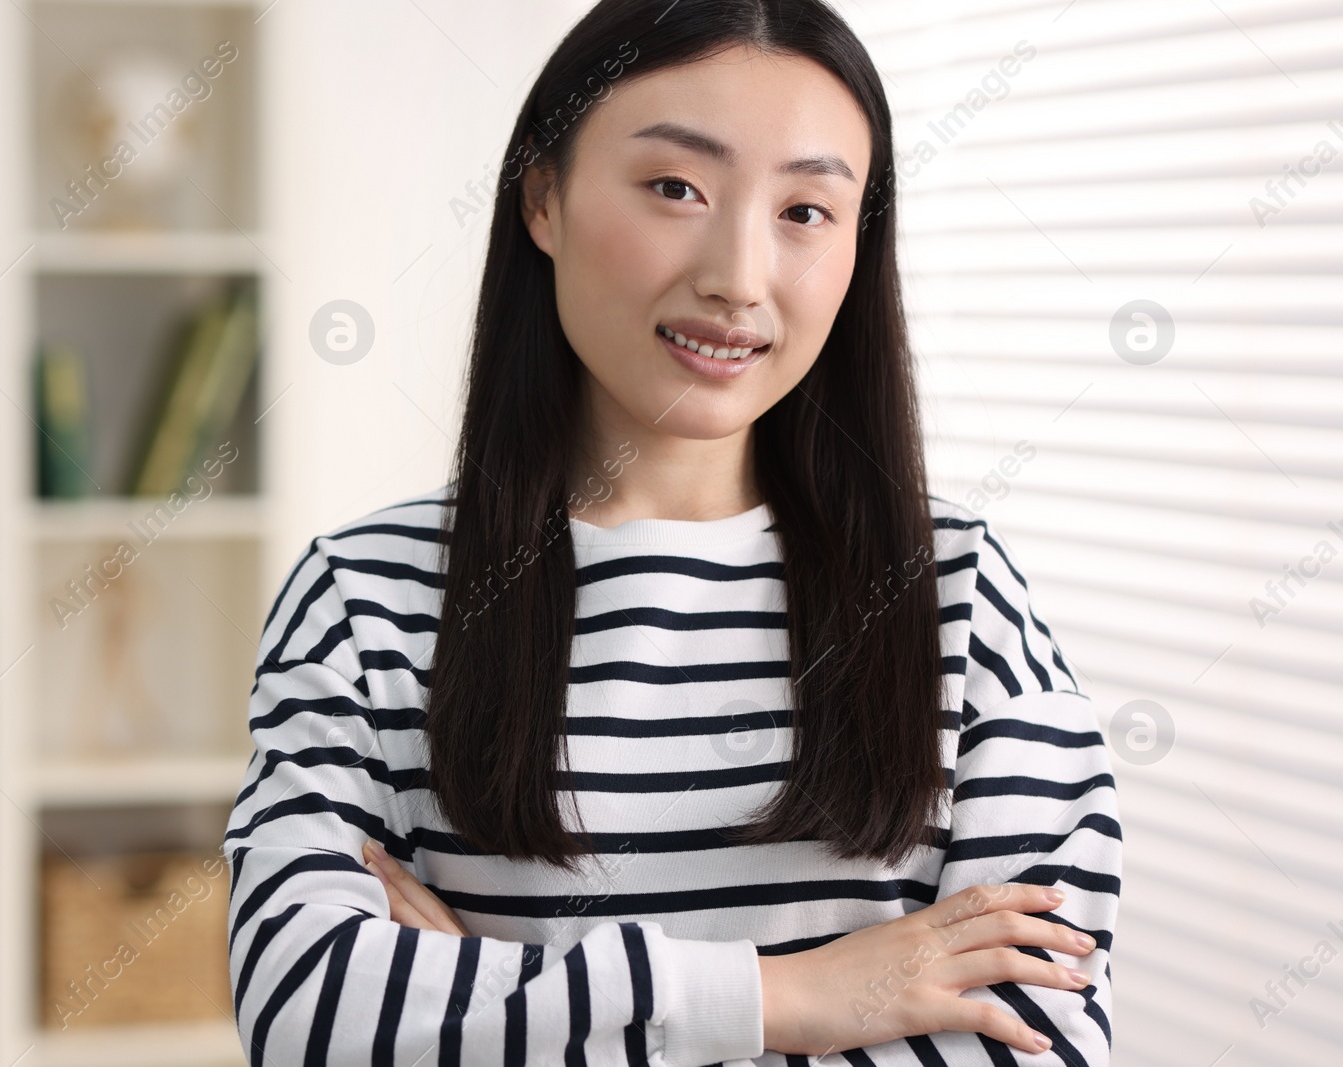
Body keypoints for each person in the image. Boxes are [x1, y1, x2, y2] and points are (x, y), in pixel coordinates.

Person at [222, 1, 1121, 1063]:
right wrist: (793, 997)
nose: (737, 277)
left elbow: (1038, 1039)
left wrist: (501, 1009)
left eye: (804, 211)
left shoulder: (960, 599)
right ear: (543, 198)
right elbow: (310, 1012)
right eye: (675, 188)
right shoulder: (364, 600)